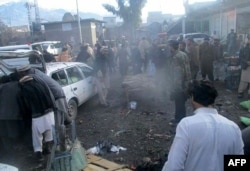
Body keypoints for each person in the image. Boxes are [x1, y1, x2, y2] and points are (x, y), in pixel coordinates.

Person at [162, 80, 244, 171]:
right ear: (213, 99)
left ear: (192, 98)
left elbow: (173, 167)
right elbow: (238, 164)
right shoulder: (233, 128)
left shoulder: (186, 125)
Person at [16, 63, 70, 151]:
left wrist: (51, 105)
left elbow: (46, 90)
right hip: (58, 94)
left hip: (56, 97)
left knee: (57, 123)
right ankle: (57, 143)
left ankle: (61, 146)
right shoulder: (36, 71)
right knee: (57, 122)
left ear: (23, 72)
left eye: (20, 73)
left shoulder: (33, 77)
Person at [18, 75, 55, 162]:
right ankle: (48, 149)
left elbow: (25, 105)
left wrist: (25, 116)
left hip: (37, 115)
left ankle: (39, 155)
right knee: (49, 132)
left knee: (37, 136)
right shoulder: (41, 85)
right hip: (49, 112)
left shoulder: (25, 89)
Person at [168, 40, 191, 125]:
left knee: (179, 102)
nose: (168, 48)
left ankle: (180, 119)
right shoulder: (183, 54)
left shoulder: (176, 57)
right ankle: (178, 117)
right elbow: (188, 69)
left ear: (172, 47)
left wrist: (176, 88)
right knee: (180, 102)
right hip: (186, 82)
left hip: (179, 84)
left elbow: (177, 73)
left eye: (169, 46)